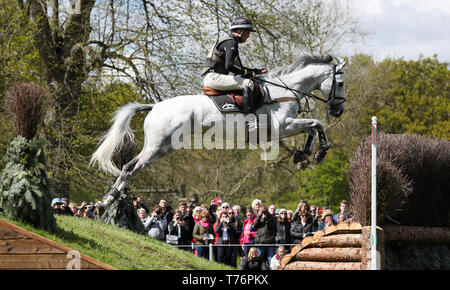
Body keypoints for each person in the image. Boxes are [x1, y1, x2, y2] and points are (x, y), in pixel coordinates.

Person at [202, 17, 268, 113]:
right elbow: (229, 66)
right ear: (239, 31)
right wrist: (249, 74)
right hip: (214, 77)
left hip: (212, 77)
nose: (248, 35)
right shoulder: (231, 43)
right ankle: (249, 118)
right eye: (247, 32)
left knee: (246, 80)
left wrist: (257, 71)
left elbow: (239, 69)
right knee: (248, 83)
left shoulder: (229, 42)